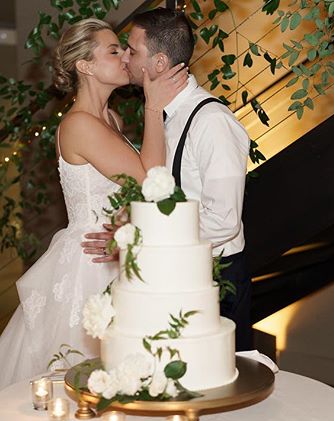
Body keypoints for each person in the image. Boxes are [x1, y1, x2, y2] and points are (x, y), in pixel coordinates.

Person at [0, 18, 187, 421]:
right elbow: (151, 180)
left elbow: (130, 193)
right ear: (86, 66)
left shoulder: (110, 119)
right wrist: (153, 105)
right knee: (84, 383)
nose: (125, 56)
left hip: (112, 253)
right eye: (114, 50)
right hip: (88, 266)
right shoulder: (79, 124)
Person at [82, 8, 253, 351]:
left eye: (132, 50)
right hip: (176, 274)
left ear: (158, 64)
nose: (125, 57)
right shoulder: (160, 116)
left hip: (215, 280)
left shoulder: (212, 123)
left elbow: (224, 220)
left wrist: (144, 233)